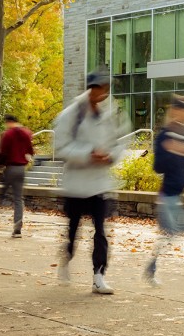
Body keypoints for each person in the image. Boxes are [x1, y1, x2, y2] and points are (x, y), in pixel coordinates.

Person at [53, 68, 130, 294]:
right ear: (91, 88)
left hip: (100, 184)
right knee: (73, 231)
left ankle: (99, 275)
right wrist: (88, 153)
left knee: (101, 231)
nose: (103, 93)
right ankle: (66, 258)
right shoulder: (72, 114)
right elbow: (61, 147)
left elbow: (121, 142)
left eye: (106, 89)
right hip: (76, 185)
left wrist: (111, 157)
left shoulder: (112, 114)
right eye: (99, 88)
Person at [145, 94, 184, 289]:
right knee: (179, 235)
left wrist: (181, 150)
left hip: (178, 195)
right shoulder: (164, 136)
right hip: (167, 196)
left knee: (170, 235)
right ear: (176, 111)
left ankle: (151, 269)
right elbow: (157, 167)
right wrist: (172, 150)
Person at [0, 114, 34, 238]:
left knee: (2, 192)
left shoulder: (8, 134)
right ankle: (17, 228)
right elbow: (30, 150)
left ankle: (0, 200)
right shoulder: (26, 133)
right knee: (18, 199)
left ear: (9, 122)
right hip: (21, 169)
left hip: (10, 168)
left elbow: (3, 153)